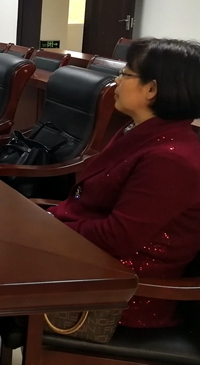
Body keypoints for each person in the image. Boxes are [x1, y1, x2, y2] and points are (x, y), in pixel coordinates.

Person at [50, 37, 200, 329]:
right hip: (88, 263)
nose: (116, 80)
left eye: (125, 73)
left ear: (151, 89)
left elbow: (116, 237)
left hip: (121, 295)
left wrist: (48, 228)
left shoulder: (172, 159)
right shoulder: (138, 131)